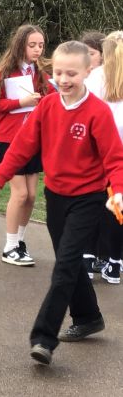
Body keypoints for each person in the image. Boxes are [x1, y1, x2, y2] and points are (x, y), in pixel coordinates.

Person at [0, 41, 123, 365]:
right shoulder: (46, 107)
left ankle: (43, 338)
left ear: (88, 72)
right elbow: (21, 146)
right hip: (56, 196)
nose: (64, 79)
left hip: (88, 197)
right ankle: (89, 317)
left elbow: (115, 158)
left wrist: (118, 190)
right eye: (58, 72)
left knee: (65, 266)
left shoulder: (97, 112)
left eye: (72, 73)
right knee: (69, 263)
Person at [0, 25, 54, 266]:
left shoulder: (42, 73)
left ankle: (19, 242)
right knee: (20, 193)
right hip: (9, 140)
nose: (37, 49)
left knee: (31, 196)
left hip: (32, 141)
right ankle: (9, 247)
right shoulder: (6, 72)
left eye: (41, 45)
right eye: (32, 45)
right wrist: (20, 102)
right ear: (20, 45)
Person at [85, 31, 123, 284]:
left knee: (92, 203)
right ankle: (114, 263)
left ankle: (88, 258)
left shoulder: (96, 77)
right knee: (116, 205)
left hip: (98, 148)